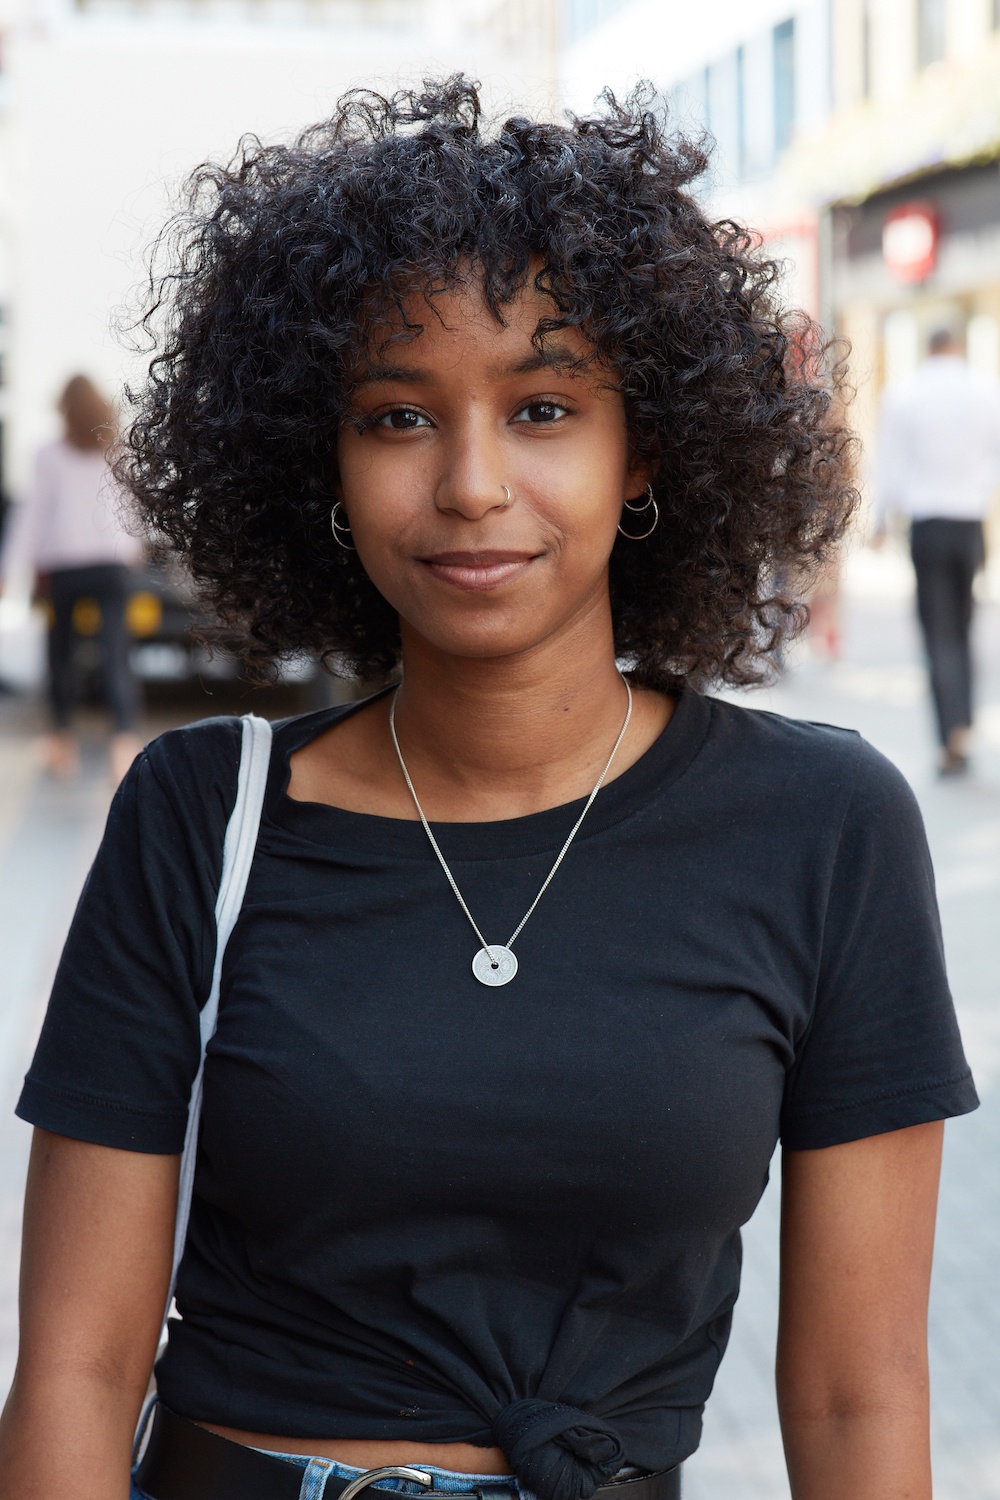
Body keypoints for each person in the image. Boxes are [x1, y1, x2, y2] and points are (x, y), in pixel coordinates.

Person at [0, 82, 977, 1500]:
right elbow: (76, 1376)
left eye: (543, 406)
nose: (470, 485)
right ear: (321, 462)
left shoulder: (825, 830)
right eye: (397, 417)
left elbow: (855, 1401)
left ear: (645, 447)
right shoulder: (198, 814)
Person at [0, 375, 144, 784]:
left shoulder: (48, 454)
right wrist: (132, 553)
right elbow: (132, 507)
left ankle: (62, 743)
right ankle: (124, 743)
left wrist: (9, 569)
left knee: (59, 655)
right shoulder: (115, 448)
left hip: (64, 569)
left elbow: (30, 517)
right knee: (116, 654)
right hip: (112, 566)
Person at [874, 327, 1000, 775]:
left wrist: (878, 520)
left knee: (938, 632)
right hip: (969, 522)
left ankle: (950, 735)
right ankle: (962, 728)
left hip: (927, 524)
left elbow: (888, 462)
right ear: (958, 347)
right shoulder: (985, 391)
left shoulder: (905, 393)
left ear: (929, 348)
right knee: (964, 630)